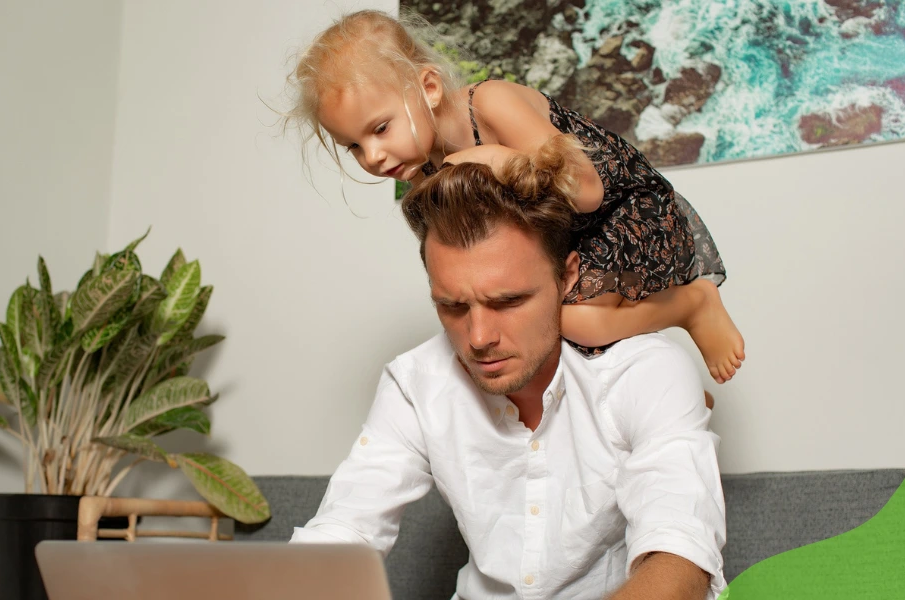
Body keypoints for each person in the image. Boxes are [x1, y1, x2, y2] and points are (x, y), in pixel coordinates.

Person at [289, 150, 727, 599]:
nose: (478, 338)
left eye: (508, 301)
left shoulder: (645, 371)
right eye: (452, 306)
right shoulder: (415, 385)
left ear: (568, 277)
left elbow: (680, 554)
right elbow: (346, 529)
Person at [282, 9, 745, 384]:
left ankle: (693, 304)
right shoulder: (424, 164)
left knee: (578, 322)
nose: (374, 157)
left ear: (427, 87)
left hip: (622, 210)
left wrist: (500, 157)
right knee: (537, 331)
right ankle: (665, 396)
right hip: (566, 239)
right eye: (355, 147)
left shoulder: (491, 105)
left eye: (380, 129)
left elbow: (587, 192)